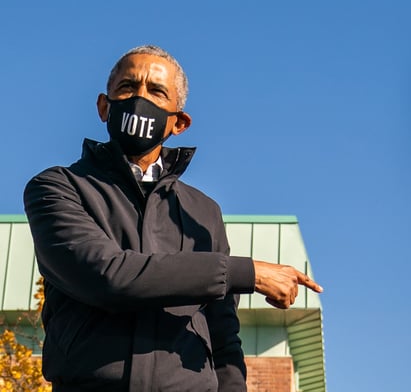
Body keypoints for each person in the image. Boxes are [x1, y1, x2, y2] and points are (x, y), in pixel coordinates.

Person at [24, 45, 323, 391]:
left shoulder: (203, 212)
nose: (139, 99)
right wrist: (248, 273)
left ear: (178, 122)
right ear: (104, 107)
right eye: (127, 87)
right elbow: (108, 276)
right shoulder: (57, 187)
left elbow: (223, 336)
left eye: (156, 91)